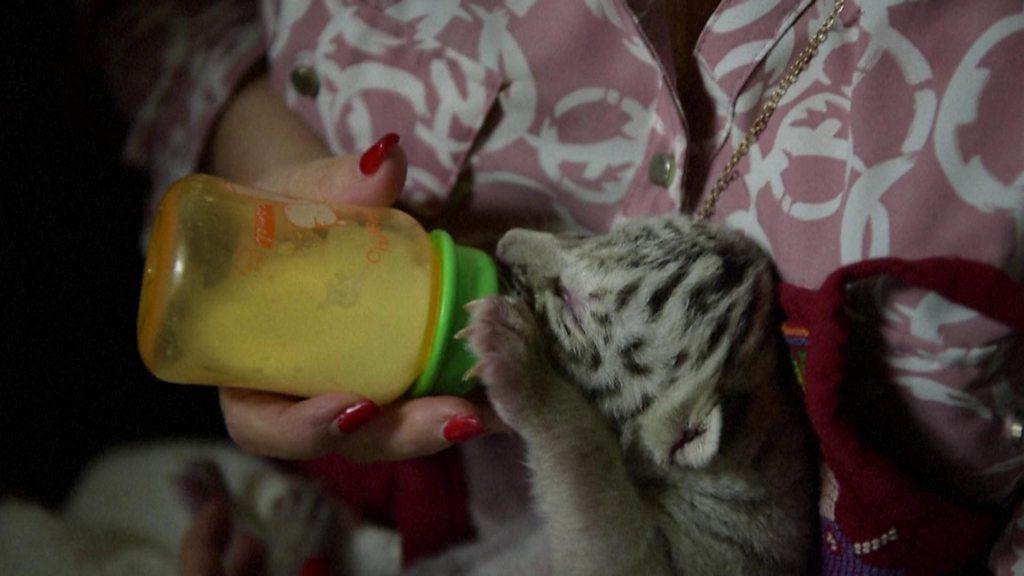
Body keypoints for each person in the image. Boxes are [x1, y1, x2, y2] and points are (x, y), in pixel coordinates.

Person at [94, 0, 1024, 573]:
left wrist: (556, 413)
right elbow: (167, 24)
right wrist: (264, 159)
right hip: (380, 503)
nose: (527, 254)